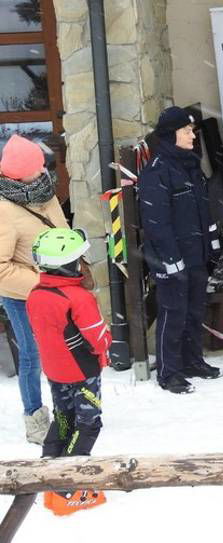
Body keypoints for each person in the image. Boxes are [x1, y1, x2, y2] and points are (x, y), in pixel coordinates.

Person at [27, 228, 111, 515]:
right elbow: (97, 336)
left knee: (63, 416)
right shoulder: (78, 297)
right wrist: (106, 346)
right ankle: (69, 484)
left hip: (55, 368)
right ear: (70, 263)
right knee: (88, 422)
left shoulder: (36, 294)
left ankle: (48, 465)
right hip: (82, 369)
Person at [139, 106, 222, 394]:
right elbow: (155, 222)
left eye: (192, 130)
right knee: (173, 311)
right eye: (186, 130)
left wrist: (212, 241)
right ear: (171, 134)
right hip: (171, 257)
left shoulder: (190, 164)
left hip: (196, 252)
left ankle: (192, 361)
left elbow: (204, 208)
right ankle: (169, 371)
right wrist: (170, 259)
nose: (192, 134)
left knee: (194, 309)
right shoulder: (157, 171)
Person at [0, 134, 67, 444]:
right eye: (36, 166)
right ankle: (35, 417)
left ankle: (68, 407)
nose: (43, 171)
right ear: (18, 171)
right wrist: (41, 283)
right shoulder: (3, 210)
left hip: (61, 287)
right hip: (24, 296)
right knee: (32, 355)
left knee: (66, 349)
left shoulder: (46, 193)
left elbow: (61, 233)